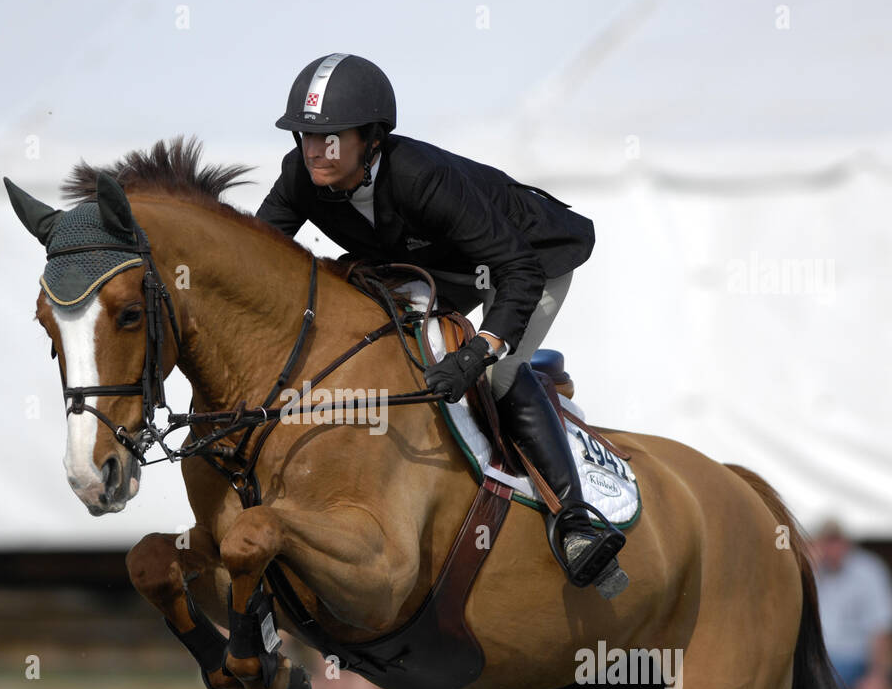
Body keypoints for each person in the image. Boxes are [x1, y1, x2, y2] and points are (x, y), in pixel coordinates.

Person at [256, 53, 627, 598]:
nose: (315, 150)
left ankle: (575, 521)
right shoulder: (301, 177)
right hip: (436, 268)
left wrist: (477, 353)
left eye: (331, 137)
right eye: (306, 137)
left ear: (373, 139)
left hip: (529, 263)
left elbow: (517, 270)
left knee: (497, 377)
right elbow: (262, 259)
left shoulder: (420, 178)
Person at [810, 519, 892, 689]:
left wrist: (878, 677)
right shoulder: (812, 571)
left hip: (851, 661)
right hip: (816, 661)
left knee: (814, 681)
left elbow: (881, 630)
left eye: (835, 541)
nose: (831, 548)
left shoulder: (869, 571)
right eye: (827, 541)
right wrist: (809, 570)